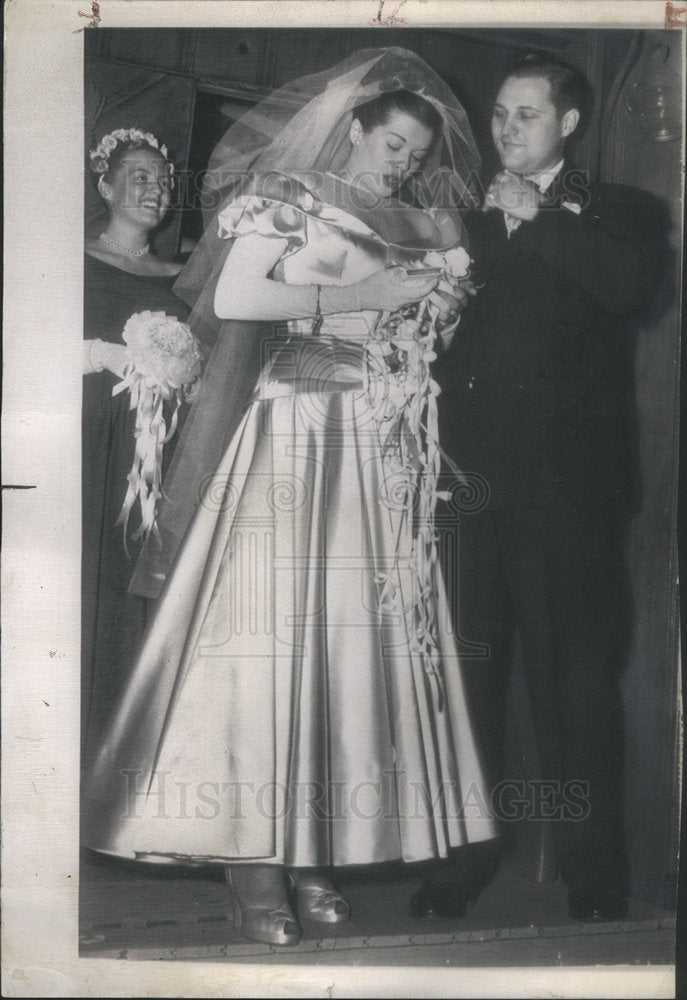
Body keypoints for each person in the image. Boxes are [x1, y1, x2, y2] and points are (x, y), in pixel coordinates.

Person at [82, 48, 497, 947]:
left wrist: (422, 309)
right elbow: (236, 296)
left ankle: (311, 849)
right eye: (388, 142)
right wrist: (365, 295)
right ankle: (250, 866)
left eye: (412, 153)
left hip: (370, 447)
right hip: (294, 433)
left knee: (342, 655)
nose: (398, 162)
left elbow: (418, 328)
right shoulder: (287, 196)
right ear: (353, 127)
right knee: (266, 648)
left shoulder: (413, 219)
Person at [413, 52, 665, 923]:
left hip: (568, 497)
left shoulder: (623, 211)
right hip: (468, 492)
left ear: (566, 123)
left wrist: (537, 220)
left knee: (575, 682)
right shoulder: (462, 219)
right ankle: (469, 856)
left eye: (524, 114)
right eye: (498, 115)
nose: (504, 129)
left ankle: (594, 871)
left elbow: (633, 289)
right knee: (465, 682)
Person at [81, 127, 189, 759]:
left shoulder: (182, 274)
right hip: (90, 434)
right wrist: (103, 355)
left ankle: (119, 754)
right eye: (142, 176)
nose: (157, 188)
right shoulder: (68, 257)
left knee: (137, 583)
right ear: (106, 186)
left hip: (157, 452)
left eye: (165, 179)